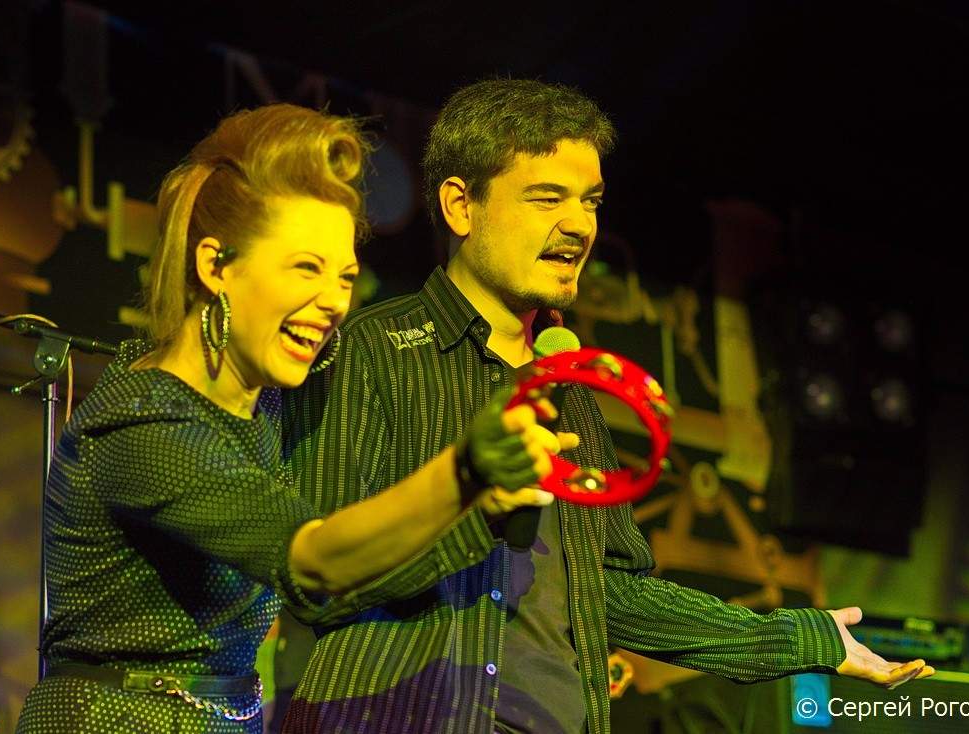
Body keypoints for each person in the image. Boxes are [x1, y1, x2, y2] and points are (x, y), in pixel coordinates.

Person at [279, 80, 934, 734]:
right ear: (461, 205)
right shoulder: (372, 351)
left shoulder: (573, 395)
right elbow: (318, 583)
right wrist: (472, 508)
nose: (579, 225)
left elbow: (613, 592)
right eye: (547, 198)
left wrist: (797, 638)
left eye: (590, 201)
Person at [14, 103, 565, 734]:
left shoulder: (271, 393)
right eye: (306, 268)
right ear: (216, 266)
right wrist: (464, 472)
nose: (332, 302)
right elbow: (313, 559)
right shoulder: (143, 421)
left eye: (345, 277)